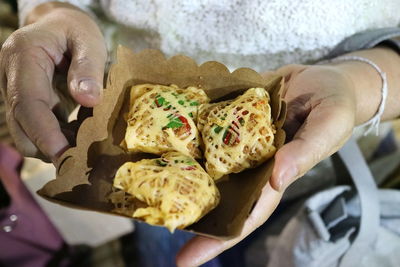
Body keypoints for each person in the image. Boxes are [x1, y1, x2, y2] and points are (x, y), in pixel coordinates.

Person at [0, 1, 400, 266]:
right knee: (166, 248)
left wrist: (355, 85)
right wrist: (52, 15)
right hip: (152, 174)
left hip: (335, 172)